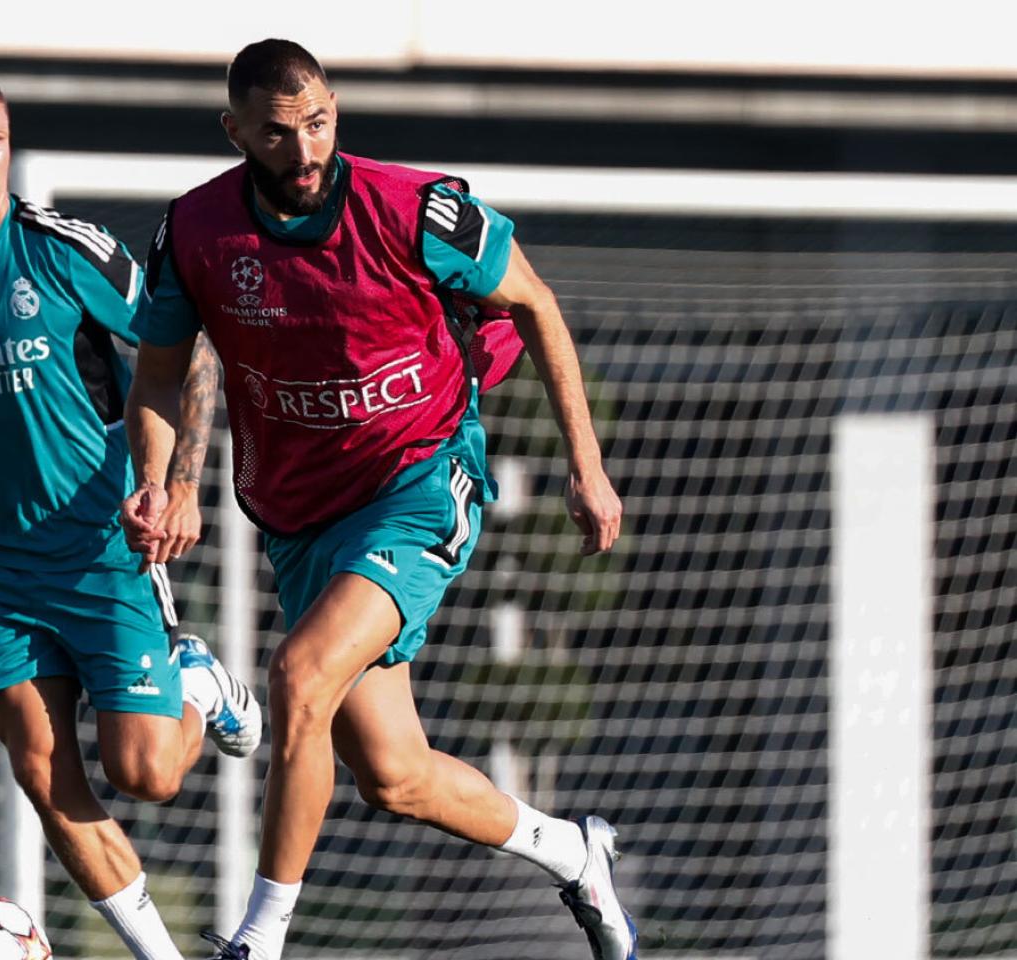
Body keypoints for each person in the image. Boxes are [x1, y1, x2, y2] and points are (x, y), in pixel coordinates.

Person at [123, 39, 635, 960]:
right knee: (393, 775)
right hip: (299, 514)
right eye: (279, 134)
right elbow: (161, 373)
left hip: (422, 482)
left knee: (297, 678)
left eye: (319, 122)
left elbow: (537, 305)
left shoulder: (414, 209)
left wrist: (586, 466)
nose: (306, 150)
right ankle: (574, 853)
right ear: (235, 131)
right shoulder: (196, 234)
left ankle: (260, 939)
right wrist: (162, 484)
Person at [0, 65, 260, 960]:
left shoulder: (65, 250)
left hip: (102, 544)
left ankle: (196, 682)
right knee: (43, 774)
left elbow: (185, 354)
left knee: (145, 773)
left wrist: (178, 483)